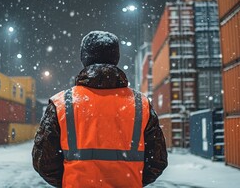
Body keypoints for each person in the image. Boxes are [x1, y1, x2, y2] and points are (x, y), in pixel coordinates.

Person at [32, 30, 168, 187]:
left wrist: (71, 181)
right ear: (116, 58)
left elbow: (43, 161)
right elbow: (157, 160)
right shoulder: (141, 104)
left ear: (84, 58)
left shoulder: (61, 104)